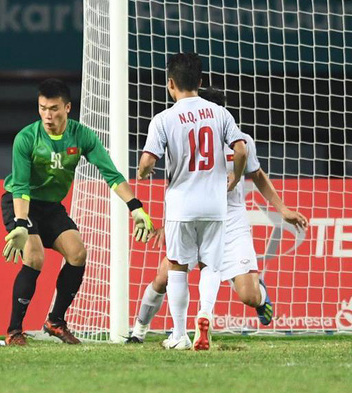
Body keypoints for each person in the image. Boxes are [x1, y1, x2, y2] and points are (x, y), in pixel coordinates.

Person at [129, 87, 309, 344]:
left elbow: (256, 174)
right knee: (163, 277)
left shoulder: (240, 140)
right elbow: (178, 182)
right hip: (195, 217)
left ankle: (257, 298)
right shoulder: (184, 133)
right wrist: (164, 225)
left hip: (231, 221)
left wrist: (282, 209)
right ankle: (139, 331)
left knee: (247, 295)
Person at [1, 78, 154, 346]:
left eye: (54, 108)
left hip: (51, 207)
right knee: (35, 257)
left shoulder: (82, 136)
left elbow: (112, 175)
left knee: (78, 253)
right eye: (42, 108)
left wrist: (135, 206)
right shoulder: (26, 138)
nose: (48, 115)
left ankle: (55, 321)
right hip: (22, 204)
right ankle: (14, 331)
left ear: (68, 107)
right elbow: (21, 187)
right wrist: (21, 223)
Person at [138, 53, 248, 351]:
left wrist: (142, 172)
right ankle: (206, 314)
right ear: (200, 82)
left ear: (170, 84)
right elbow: (240, 150)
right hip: (215, 205)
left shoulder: (163, 119)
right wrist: (235, 178)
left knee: (177, 267)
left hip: (181, 206)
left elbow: (148, 161)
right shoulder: (219, 113)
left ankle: (179, 334)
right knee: (211, 266)